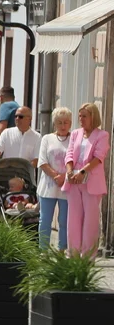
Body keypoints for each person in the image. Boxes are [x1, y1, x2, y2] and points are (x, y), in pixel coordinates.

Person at [62, 102, 109, 257]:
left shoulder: (102, 135)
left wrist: (82, 172)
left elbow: (98, 157)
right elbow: (69, 154)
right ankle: (73, 254)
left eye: (84, 116)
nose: (81, 119)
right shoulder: (75, 133)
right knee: (73, 219)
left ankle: (88, 255)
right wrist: (69, 171)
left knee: (90, 221)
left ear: (93, 117)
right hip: (74, 181)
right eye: (80, 116)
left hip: (91, 181)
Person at [35, 107, 71, 250]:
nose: (63, 126)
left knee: (64, 220)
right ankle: (43, 251)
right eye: (59, 122)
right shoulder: (47, 138)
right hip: (48, 185)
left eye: (66, 122)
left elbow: (76, 160)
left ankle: (62, 249)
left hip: (67, 185)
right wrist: (55, 176)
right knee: (45, 220)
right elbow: (42, 162)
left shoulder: (73, 138)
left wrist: (64, 177)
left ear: (70, 123)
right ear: (54, 123)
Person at [0, 106, 40, 174]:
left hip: (26, 177)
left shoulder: (37, 137)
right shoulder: (6, 133)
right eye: (15, 116)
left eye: (20, 116)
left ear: (30, 119)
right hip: (6, 175)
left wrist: (22, 172)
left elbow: (36, 160)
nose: (17, 119)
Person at [0, 86, 19, 154]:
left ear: (1, 98)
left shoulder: (5, 105)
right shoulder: (17, 107)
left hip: (8, 147)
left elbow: (1, 129)